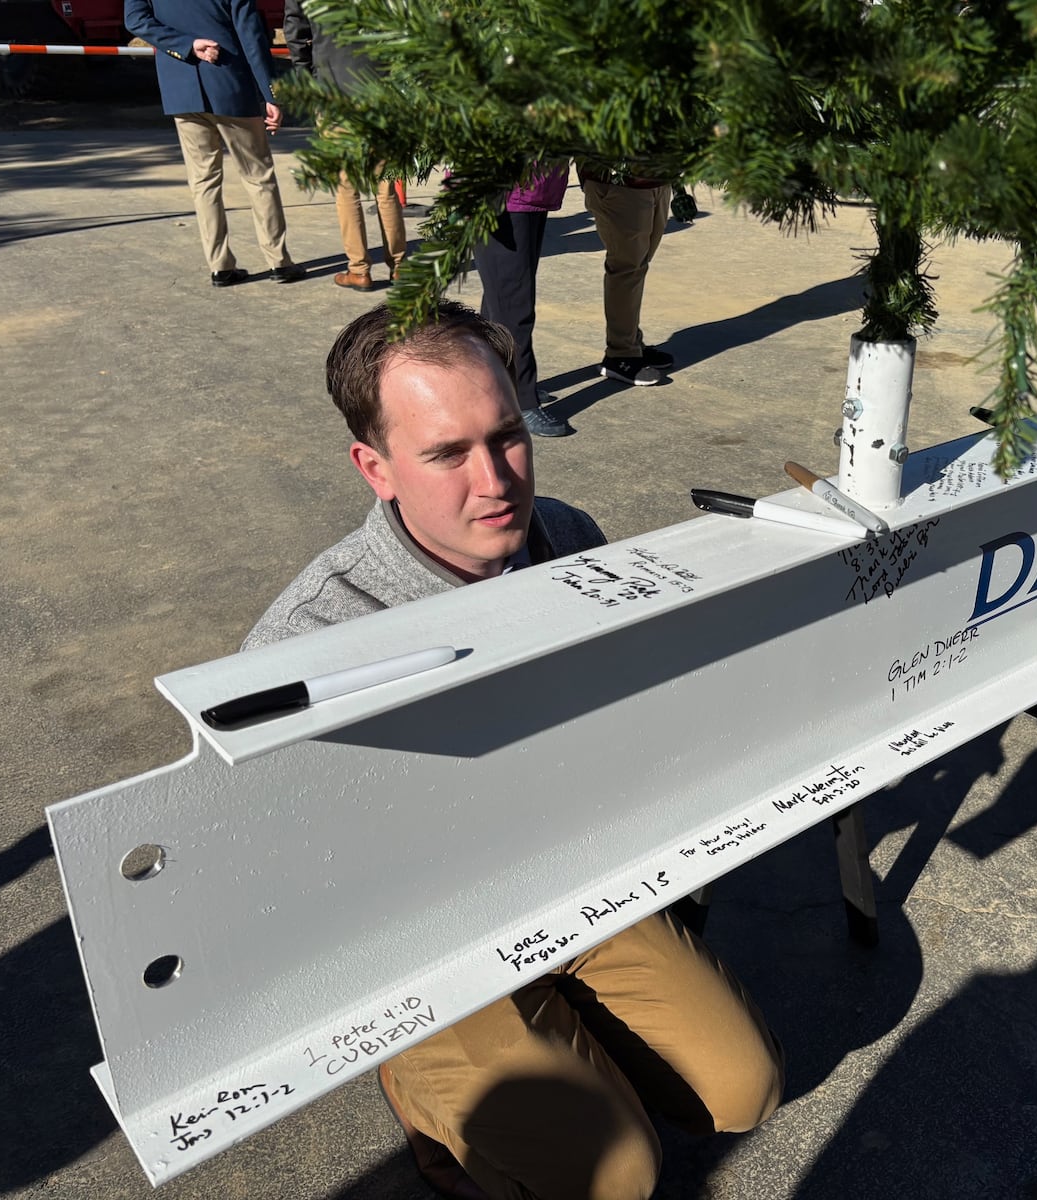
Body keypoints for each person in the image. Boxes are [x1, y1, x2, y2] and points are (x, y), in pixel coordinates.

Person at [244, 301, 784, 1199]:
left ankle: (578, 1051)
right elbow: (286, 899)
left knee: (742, 1087)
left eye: (508, 436)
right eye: (447, 454)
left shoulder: (564, 537)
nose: (496, 481)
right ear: (374, 468)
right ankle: (422, 1094)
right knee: (617, 1175)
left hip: (562, 876)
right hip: (410, 937)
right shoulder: (305, 647)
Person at [126, 0, 305, 287]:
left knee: (203, 180)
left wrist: (186, 44)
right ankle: (278, 261)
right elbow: (251, 34)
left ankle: (220, 266)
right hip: (231, 85)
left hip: (181, 89)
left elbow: (135, 21)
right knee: (258, 176)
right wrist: (271, 94)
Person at [283, 0, 409, 292]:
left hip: (334, 88)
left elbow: (295, 31)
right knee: (386, 185)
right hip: (381, 87)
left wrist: (308, 78)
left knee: (346, 185)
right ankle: (400, 266)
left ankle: (359, 269)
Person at [473, 163, 575, 437]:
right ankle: (520, 399)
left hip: (531, 190)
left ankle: (493, 382)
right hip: (502, 194)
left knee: (500, 300)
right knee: (513, 305)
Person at [576, 159, 677, 386]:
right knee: (627, 267)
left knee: (639, 264)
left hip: (655, 177)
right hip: (618, 181)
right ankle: (620, 354)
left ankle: (631, 342)